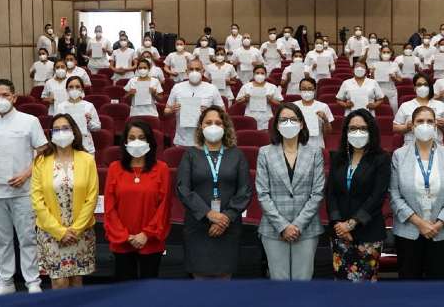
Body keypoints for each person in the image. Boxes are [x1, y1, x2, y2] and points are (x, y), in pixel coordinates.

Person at [0, 79, 48, 296]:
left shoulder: (29, 121)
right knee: (2, 239)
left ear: (14, 97)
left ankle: (32, 281)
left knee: (27, 237)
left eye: (5, 95)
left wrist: (27, 173)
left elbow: (42, 150)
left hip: (23, 190)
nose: (1, 99)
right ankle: (6, 281)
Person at [176, 106, 252, 278]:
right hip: (198, 227)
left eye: (218, 122)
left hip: (228, 226)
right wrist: (208, 214)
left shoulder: (237, 154)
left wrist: (225, 218)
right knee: (200, 287)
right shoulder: (190, 154)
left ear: (225, 127)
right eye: (208, 122)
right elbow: (183, 189)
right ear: (201, 127)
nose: (213, 126)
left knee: (225, 288)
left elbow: (245, 190)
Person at [389, 106, 444, 279]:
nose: (425, 125)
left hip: (441, 231)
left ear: (436, 125)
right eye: (420, 121)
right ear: (412, 126)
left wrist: (438, 223)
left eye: (430, 121)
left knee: (436, 286)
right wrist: (419, 223)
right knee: (409, 284)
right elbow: (394, 194)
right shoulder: (399, 155)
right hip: (408, 231)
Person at [255, 103, 325, 281]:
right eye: (283, 120)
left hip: (307, 229)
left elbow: (317, 193)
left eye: (293, 119)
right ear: (277, 125)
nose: (288, 123)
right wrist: (283, 226)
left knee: (303, 281)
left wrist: (298, 225)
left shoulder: (315, 152)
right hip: (274, 229)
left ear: (301, 123)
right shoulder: (264, 153)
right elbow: (263, 193)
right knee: (279, 282)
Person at [30, 114, 98, 289]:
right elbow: (37, 199)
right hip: (51, 231)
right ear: (51, 134)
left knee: (76, 280)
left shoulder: (87, 159)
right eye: (56, 129)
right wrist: (59, 231)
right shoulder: (41, 160)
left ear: (74, 131)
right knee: (59, 282)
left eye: (65, 128)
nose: (61, 132)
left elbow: (92, 197)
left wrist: (75, 230)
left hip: (80, 231)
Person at [104, 121, 172, 281]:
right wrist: (124, 236)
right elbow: (109, 206)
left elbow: (164, 207)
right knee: (124, 293)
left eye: (141, 138)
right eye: (132, 138)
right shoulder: (115, 168)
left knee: (149, 292)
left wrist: (146, 234)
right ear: (125, 142)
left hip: (151, 241)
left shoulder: (162, 168)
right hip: (122, 241)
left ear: (149, 141)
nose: (136, 142)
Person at [327, 109, 390, 282]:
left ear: (371, 131)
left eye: (363, 128)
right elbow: (331, 193)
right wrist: (339, 224)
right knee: (341, 288)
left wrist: (352, 223)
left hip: (368, 232)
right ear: (346, 131)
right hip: (339, 234)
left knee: (365, 292)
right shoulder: (338, 157)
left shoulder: (381, 158)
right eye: (352, 128)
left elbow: (377, 197)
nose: (357, 132)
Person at [165, 59, 225, 146]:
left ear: (203, 71)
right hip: (182, 140)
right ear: (186, 71)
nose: (194, 72)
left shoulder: (212, 88)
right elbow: (166, 111)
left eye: (197, 69)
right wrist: (171, 110)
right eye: (191, 69)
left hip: (206, 139)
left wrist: (209, 112)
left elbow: (223, 112)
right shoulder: (177, 87)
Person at [394, 73, 444, 145]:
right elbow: (395, 127)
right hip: (411, 146)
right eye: (419, 85)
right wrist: (406, 127)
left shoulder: (441, 105)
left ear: (430, 87)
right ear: (414, 88)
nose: (422, 87)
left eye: (425, 85)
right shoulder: (405, 106)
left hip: (436, 145)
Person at [55, 76, 101, 154]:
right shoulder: (61, 107)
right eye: (71, 87)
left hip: (86, 146)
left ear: (82, 89)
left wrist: (89, 122)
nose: (74, 89)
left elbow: (97, 127)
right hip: (67, 146)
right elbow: (55, 129)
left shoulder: (89, 106)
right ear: (66, 89)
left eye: (77, 86)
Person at [235, 65, 283, 130]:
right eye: (257, 73)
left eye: (262, 73)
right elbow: (237, 102)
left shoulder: (272, 87)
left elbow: (280, 103)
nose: (259, 75)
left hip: (266, 117)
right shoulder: (246, 86)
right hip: (250, 116)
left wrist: (271, 100)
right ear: (253, 74)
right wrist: (245, 99)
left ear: (266, 75)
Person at [293, 78, 334, 149]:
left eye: (310, 89)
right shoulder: (293, 106)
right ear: (300, 90)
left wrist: (325, 120)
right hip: (297, 144)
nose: (306, 91)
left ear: (315, 90)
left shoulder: (323, 106)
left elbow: (328, 132)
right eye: (303, 89)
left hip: (317, 145)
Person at [372, 46, 402, 114]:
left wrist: (394, 78)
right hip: (378, 91)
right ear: (380, 53)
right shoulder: (375, 65)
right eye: (384, 52)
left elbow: (400, 80)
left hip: (391, 91)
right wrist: (372, 73)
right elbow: (371, 80)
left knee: (394, 111)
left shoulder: (395, 65)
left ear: (391, 53)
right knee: (377, 111)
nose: (386, 54)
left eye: (388, 52)